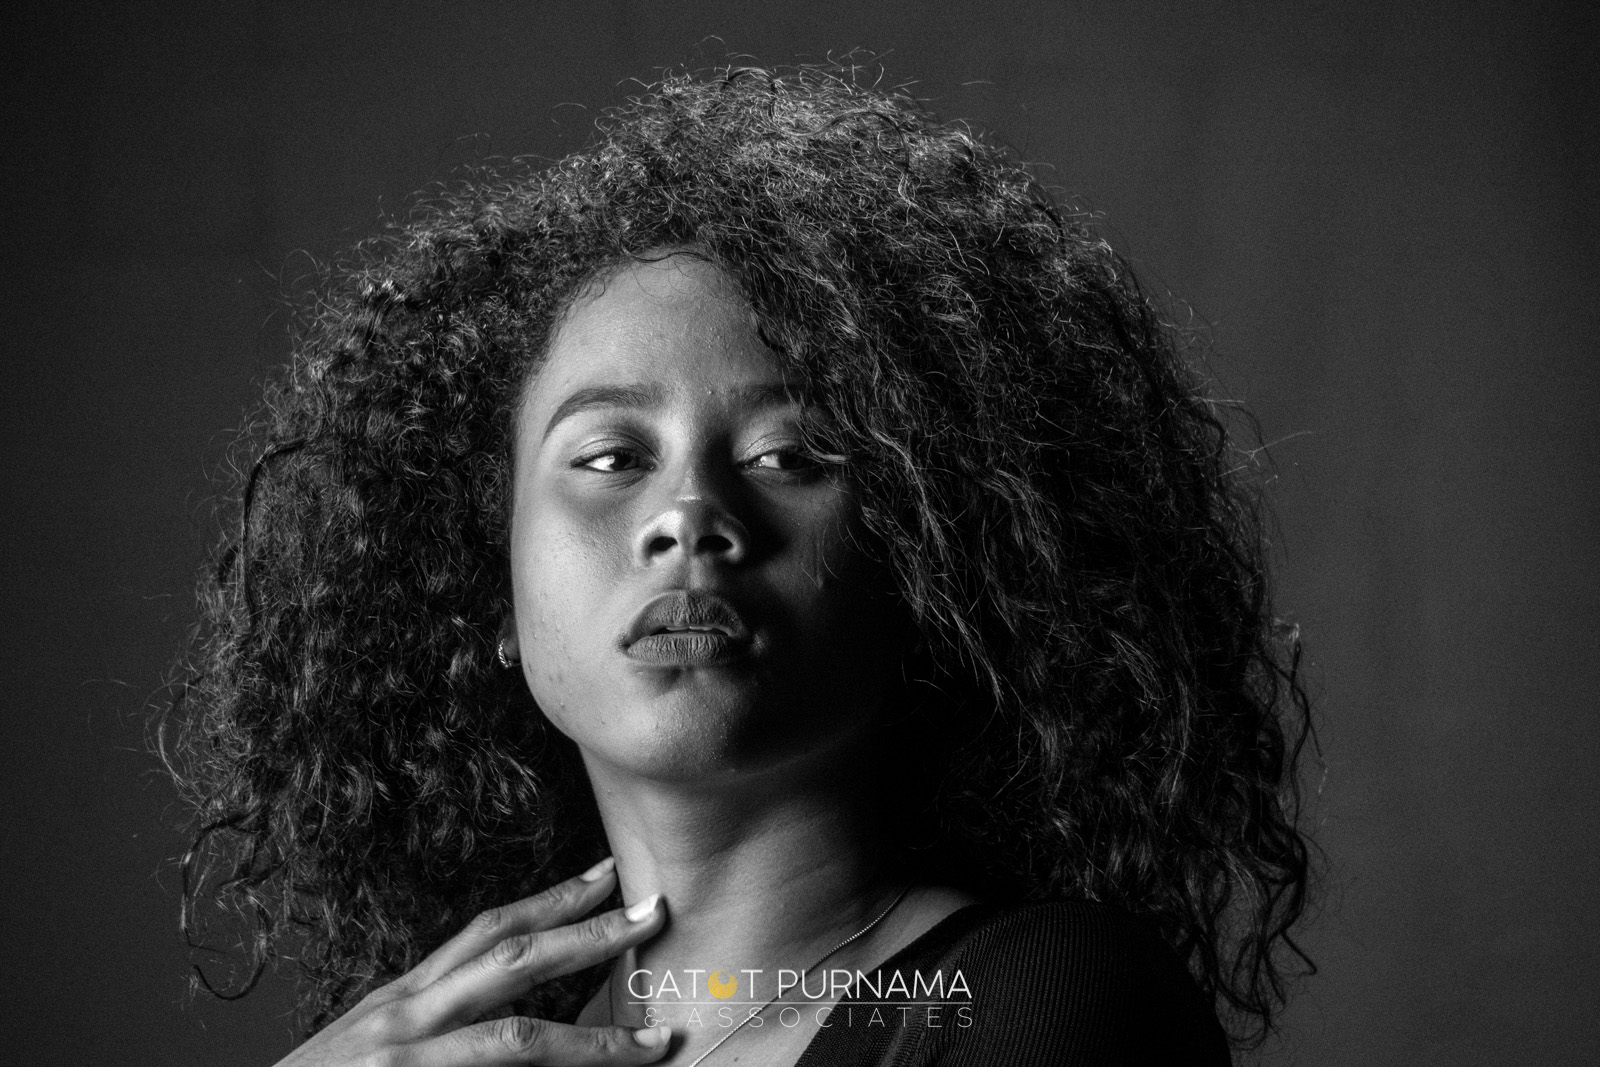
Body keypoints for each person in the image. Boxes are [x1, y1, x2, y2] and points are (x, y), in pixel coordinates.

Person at [165, 64, 1313, 1066]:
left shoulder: (1038, 1000)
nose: (689, 515)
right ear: (491, 591)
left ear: (929, 560)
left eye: (789, 455)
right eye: (611, 457)